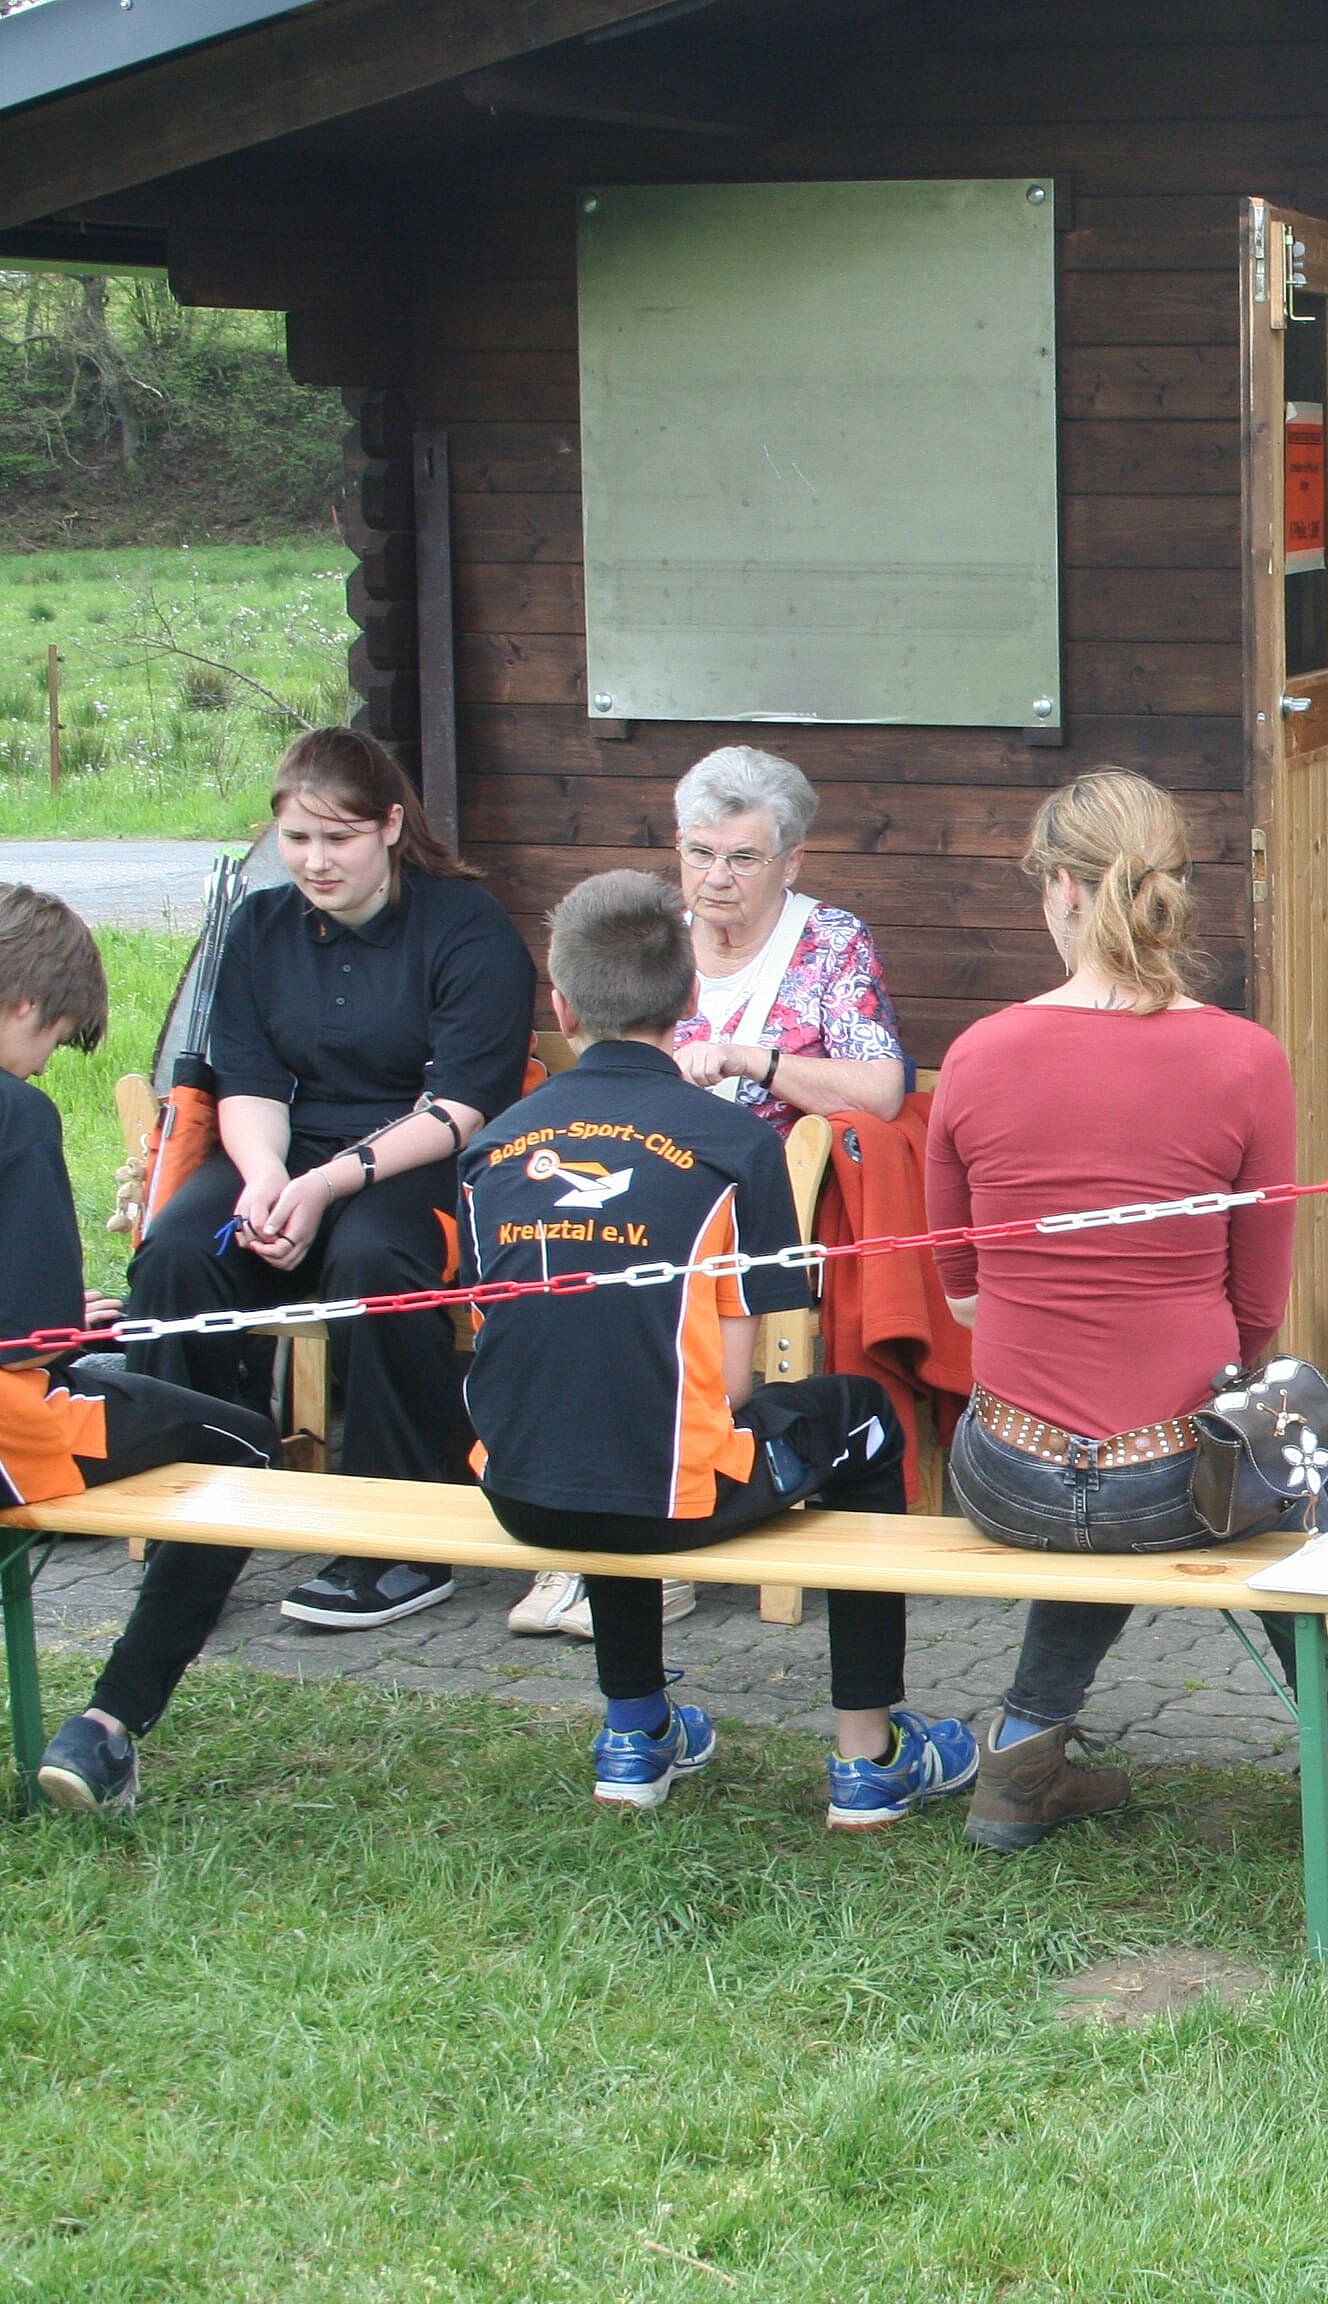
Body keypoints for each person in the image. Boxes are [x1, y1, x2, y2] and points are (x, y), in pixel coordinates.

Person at [923, 772, 1328, 1858]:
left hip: (1009, 1474)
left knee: (1096, 1493)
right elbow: (1257, 1309)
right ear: (1171, 890)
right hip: (1177, 1475)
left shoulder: (978, 1052)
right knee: (1281, 1470)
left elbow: (961, 1292)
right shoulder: (1243, 1056)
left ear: (1060, 889)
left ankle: (1023, 1760)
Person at [460, 869, 978, 1823]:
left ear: (561, 1004)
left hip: (520, 1496)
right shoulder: (734, 1143)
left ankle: (634, 1734)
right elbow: (735, 1382)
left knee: (611, 1402)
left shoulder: (491, 1147)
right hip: (669, 1497)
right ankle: (868, 1756)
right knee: (862, 1416)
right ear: (691, 997)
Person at [123, 728, 534, 1632]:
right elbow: (246, 1081)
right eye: (296, 839)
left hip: (418, 1156)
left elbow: (463, 1106)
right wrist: (266, 1180)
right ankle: (194, 1517)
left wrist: (326, 1187)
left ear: (390, 825)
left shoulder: (466, 927)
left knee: (374, 1259)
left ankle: (397, 1543)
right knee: (178, 1255)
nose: (314, 861)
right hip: (282, 1144)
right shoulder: (257, 926)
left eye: (338, 838)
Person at [507, 745, 911, 1642]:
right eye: (699, 853)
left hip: (758, 1197)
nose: (715, 878)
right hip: (640, 1186)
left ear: (791, 862)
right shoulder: (649, 932)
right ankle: (596, 1531)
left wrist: (750, 1060)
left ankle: (646, 1537)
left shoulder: (830, 943)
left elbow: (881, 1089)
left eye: (743, 857)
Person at [0, 887, 287, 1815]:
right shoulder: (17, 1113)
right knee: (249, 1445)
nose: (43, 1067)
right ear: (25, 1006)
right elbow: (30, 1338)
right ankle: (108, 1725)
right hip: (10, 1434)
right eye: (53, 1042)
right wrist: (67, 1321)